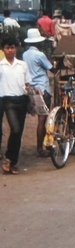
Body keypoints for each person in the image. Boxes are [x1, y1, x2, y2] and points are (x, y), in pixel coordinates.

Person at [0, 35, 31, 174]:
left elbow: (27, 82)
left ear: (16, 49)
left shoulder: (22, 65)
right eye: (7, 48)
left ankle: (12, 162)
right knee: (16, 129)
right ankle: (7, 158)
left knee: (18, 133)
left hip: (22, 100)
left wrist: (32, 91)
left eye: (12, 48)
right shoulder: (1, 66)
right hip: (7, 101)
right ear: (3, 49)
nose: (10, 50)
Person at [22, 28, 53, 158]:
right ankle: (40, 148)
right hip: (42, 89)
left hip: (31, 89)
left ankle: (42, 146)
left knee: (40, 119)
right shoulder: (40, 55)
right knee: (42, 119)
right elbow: (51, 67)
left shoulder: (25, 54)